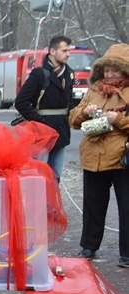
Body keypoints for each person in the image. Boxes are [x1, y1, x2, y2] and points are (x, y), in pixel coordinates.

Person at [69, 43, 129, 266]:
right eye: (106, 69)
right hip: (93, 156)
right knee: (93, 205)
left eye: (115, 69)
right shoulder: (93, 90)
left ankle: (127, 253)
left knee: (126, 207)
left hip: (122, 157)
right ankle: (89, 246)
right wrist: (84, 112)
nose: (110, 74)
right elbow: (73, 120)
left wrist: (118, 119)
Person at [16, 35, 74, 181]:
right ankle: (38, 204)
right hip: (42, 132)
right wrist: (39, 121)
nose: (68, 54)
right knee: (39, 175)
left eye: (69, 50)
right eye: (64, 50)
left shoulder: (69, 73)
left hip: (61, 130)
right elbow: (21, 102)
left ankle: (52, 204)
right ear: (53, 52)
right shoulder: (40, 74)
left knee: (56, 176)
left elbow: (70, 100)